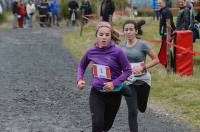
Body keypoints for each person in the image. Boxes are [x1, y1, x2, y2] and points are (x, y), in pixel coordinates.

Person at [76, 21, 132, 132]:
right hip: (97, 92)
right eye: (101, 35)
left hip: (115, 93)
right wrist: (79, 80)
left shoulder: (118, 51)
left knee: (106, 126)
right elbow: (81, 66)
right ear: (96, 36)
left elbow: (128, 70)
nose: (104, 37)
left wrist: (113, 83)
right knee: (97, 125)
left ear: (111, 36)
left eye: (107, 35)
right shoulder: (91, 51)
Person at [120, 20, 159, 132]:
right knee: (132, 111)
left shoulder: (142, 44)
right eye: (126, 30)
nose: (128, 32)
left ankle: (141, 103)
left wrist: (143, 67)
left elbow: (156, 60)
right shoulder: (121, 45)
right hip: (128, 81)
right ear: (124, 32)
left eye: (131, 29)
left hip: (143, 80)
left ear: (136, 31)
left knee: (141, 108)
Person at [157, 0, 175, 66]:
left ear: (164, 3)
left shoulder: (166, 11)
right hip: (165, 33)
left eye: (160, 3)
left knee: (166, 49)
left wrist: (170, 34)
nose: (158, 4)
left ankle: (170, 64)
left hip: (167, 33)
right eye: (158, 3)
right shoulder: (163, 11)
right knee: (165, 49)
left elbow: (169, 24)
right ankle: (170, 64)